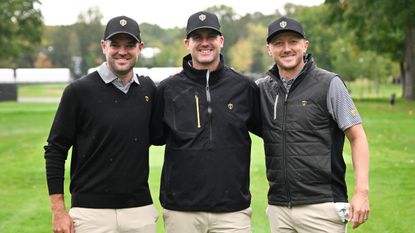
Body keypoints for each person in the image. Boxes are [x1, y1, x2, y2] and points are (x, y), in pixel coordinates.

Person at [44, 16, 158, 233]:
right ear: (103, 46)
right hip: (90, 213)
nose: (122, 51)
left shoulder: (147, 90)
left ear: (140, 48)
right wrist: (58, 210)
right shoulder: (78, 92)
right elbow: (55, 150)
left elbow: (159, 136)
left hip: (139, 210)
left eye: (130, 45)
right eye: (115, 44)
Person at [256, 16, 370, 232]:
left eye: (293, 42)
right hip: (279, 209)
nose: (286, 48)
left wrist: (362, 192)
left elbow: (358, 137)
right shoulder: (262, 89)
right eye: (279, 43)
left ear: (305, 45)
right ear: (269, 49)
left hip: (323, 208)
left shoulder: (329, 84)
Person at [151, 11, 262, 233]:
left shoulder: (244, 88)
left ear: (221, 40)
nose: (204, 43)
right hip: (181, 211)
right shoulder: (167, 90)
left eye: (210, 36)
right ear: (186, 43)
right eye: (197, 37)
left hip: (233, 211)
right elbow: (156, 137)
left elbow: (270, 133)